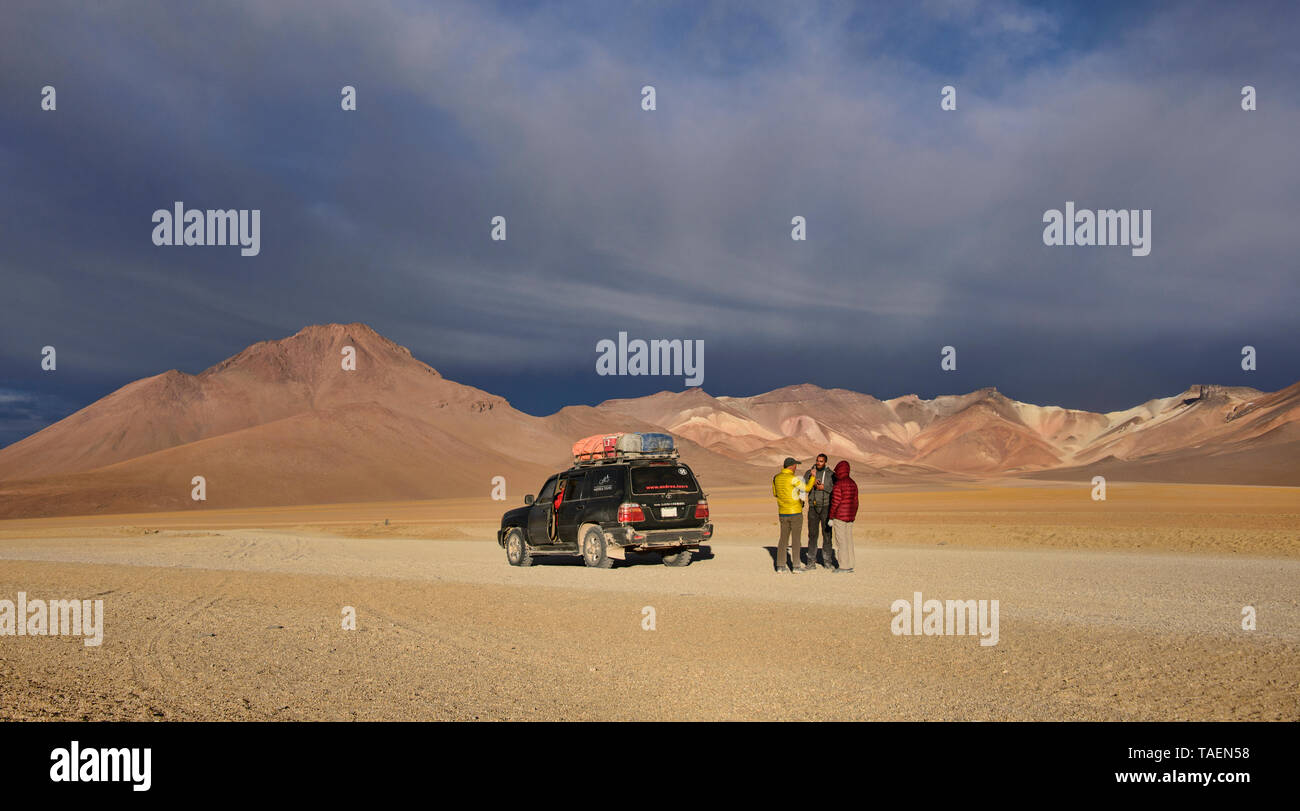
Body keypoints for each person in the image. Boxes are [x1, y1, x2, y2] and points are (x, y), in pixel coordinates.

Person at [772, 456, 811, 572]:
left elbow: (775, 493)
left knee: (783, 539)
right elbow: (807, 488)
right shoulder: (793, 478)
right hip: (795, 512)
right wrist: (813, 478)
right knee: (796, 540)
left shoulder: (776, 478)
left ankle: (780, 566)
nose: (796, 468)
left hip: (782, 512)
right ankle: (796, 566)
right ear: (792, 466)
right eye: (795, 466)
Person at [803, 453, 835, 570]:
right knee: (812, 535)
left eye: (821, 461)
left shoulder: (831, 474)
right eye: (817, 461)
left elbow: (835, 489)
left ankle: (827, 561)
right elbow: (803, 487)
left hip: (826, 507)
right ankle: (811, 562)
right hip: (813, 507)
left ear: (825, 462)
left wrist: (824, 487)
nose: (818, 463)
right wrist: (812, 480)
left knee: (827, 535)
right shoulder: (809, 473)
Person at [828, 460, 858, 573]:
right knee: (849, 540)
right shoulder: (853, 483)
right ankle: (851, 564)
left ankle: (843, 566)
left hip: (839, 517)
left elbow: (835, 502)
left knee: (841, 541)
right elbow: (856, 502)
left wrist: (831, 517)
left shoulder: (838, 484)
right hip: (850, 517)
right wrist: (853, 515)